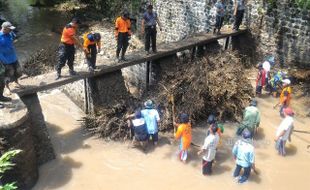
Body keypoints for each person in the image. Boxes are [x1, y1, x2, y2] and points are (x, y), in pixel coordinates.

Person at [0, 21, 22, 92]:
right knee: (8, 74)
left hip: (14, 57)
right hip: (5, 60)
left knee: (18, 71)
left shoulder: (10, 33)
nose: (11, 30)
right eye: (10, 29)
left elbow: (13, 40)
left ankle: (16, 83)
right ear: (4, 29)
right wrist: (3, 60)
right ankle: (7, 87)